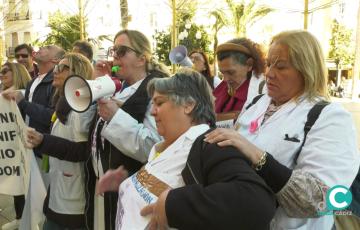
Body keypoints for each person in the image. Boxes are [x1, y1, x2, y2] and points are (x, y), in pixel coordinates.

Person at [204, 30, 360, 229]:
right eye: (269, 64)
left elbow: (324, 199)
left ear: (307, 69)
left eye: (281, 66)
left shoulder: (330, 117)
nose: (269, 73)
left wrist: (257, 156)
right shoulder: (256, 103)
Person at [95, 68, 276, 229]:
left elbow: (257, 203)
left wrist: (173, 205)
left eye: (159, 103)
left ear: (188, 105)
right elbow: (165, 186)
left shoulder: (210, 144)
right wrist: (127, 183)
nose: (152, 111)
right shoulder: (168, 146)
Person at [26, 29, 170, 230]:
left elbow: (153, 147)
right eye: (113, 50)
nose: (115, 57)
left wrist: (116, 117)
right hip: (103, 190)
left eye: (122, 51)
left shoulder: (153, 92)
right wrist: (100, 83)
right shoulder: (121, 89)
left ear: (141, 59)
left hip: (129, 195)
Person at [0, 63, 31, 230]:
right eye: (0, 72)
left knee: (26, 183)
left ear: (17, 72)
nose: (2, 74)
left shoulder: (25, 95)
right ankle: (20, 217)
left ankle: (29, 220)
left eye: (5, 71)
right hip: (9, 147)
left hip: (25, 146)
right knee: (15, 182)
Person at [213, 38, 266, 115]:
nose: (225, 79)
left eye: (231, 72)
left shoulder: (262, 93)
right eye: (222, 73)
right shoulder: (222, 89)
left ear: (249, 64)